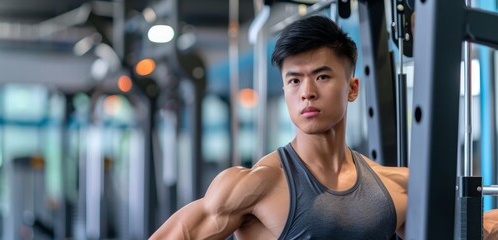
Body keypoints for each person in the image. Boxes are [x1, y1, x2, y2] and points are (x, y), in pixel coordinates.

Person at [149, 15, 497, 239]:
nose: (307, 93)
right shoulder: (255, 184)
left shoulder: (396, 186)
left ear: (352, 88)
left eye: (322, 76)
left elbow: (478, 229)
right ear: (284, 90)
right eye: (294, 81)